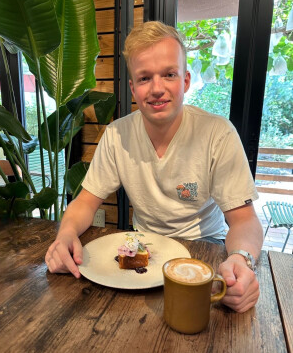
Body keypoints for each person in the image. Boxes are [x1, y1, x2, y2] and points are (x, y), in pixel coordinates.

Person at [45, 21, 263, 313]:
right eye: (145, 78)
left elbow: (244, 220)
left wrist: (240, 258)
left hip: (206, 249)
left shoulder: (218, 134)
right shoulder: (116, 135)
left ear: (185, 81)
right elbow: (85, 202)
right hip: (144, 251)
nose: (157, 89)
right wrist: (65, 234)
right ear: (133, 88)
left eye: (169, 75)